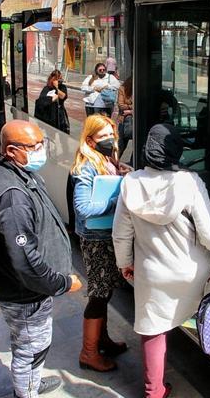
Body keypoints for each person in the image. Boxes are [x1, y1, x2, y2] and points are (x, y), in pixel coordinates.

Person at [113, 123, 210, 398]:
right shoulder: (189, 182)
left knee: (153, 331)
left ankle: (155, 391)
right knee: (202, 308)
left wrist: (125, 265)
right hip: (193, 273)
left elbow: (121, 235)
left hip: (152, 274)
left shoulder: (130, 183)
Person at [0, 120, 82, 398]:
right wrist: (61, 283)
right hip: (24, 292)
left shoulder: (19, 174)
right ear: (11, 150)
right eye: (33, 146)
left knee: (30, 344)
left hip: (25, 289)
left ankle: (31, 383)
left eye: (41, 144)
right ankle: (26, 392)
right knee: (30, 349)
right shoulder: (12, 195)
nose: (40, 150)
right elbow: (24, 259)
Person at [70, 114, 130, 372]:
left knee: (105, 293)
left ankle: (102, 340)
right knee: (98, 295)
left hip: (107, 236)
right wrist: (116, 202)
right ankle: (89, 352)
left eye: (111, 134)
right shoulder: (86, 166)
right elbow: (82, 207)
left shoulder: (105, 159)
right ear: (90, 139)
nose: (109, 139)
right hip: (96, 240)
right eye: (103, 136)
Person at [33, 70, 70, 134]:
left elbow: (63, 96)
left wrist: (56, 88)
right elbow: (41, 100)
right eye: (58, 79)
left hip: (59, 114)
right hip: (48, 115)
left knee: (62, 134)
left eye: (61, 79)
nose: (60, 81)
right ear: (53, 79)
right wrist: (51, 99)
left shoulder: (63, 87)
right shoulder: (47, 88)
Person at [117, 77, 133, 159]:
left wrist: (130, 111)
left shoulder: (139, 89)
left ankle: (133, 163)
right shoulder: (122, 89)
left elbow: (141, 106)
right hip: (124, 119)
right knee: (121, 144)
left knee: (138, 145)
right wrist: (132, 107)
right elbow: (121, 105)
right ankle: (113, 162)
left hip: (136, 120)